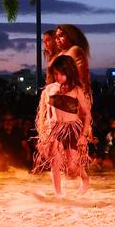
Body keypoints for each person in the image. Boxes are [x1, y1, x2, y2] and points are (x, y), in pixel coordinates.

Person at [33, 55, 92, 196]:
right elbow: (48, 111)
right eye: (55, 74)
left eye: (62, 74)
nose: (58, 77)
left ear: (69, 72)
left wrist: (84, 136)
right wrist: (47, 128)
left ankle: (85, 178)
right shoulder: (50, 89)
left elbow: (87, 114)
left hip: (73, 129)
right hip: (56, 128)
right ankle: (58, 194)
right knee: (55, 161)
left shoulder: (77, 90)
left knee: (72, 168)